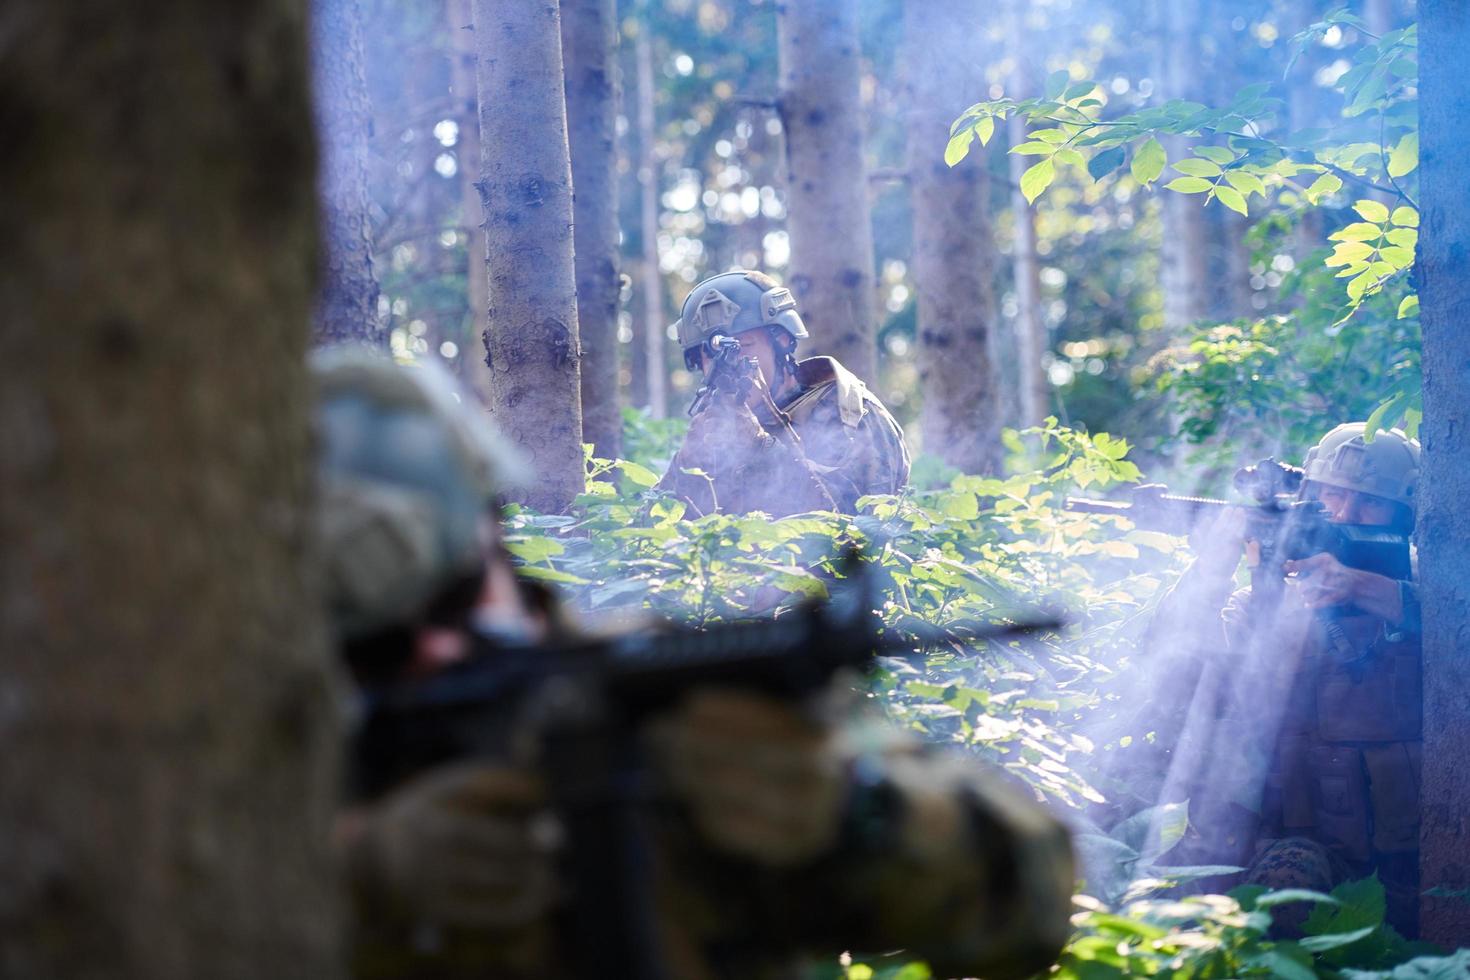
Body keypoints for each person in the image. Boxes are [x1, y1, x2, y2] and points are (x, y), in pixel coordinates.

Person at [312, 346, 1075, 978]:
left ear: (495, 537)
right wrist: (352, 879)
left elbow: (1034, 902)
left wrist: (857, 816)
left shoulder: (667, 691)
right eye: (373, 645)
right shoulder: (281, 760)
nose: (434, 651)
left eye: (451, 603)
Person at [1149, 423, 1421, 934]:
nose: (1342, 514)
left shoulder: (1426, 584)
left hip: (1408, 860)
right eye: (1330, 498)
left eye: (1367, 503)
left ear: (1403, 513)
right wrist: (1213, 564)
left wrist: (1358, 586)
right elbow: (1168, 665)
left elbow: (1453, 618)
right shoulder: (1270, 599)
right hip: (1303, 843)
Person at [656, 269, 910, 517]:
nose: (728, 367)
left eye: (743, 346)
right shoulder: (713, 434)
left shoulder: (852, 415)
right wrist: (684, 469)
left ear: (782, 341)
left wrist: (761, 449)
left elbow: (861, 534)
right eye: (710, 357)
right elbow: (648, 540)